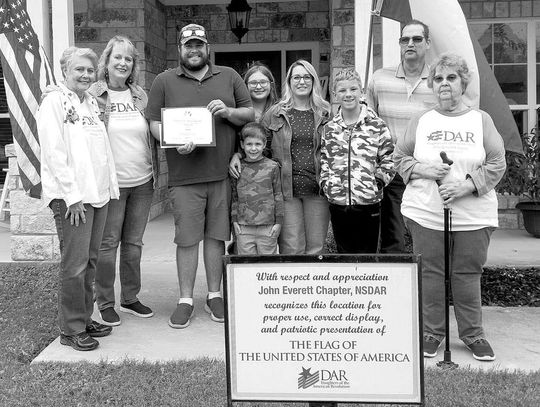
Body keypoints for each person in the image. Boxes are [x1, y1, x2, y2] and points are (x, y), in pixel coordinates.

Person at [394, 53, 506, 361]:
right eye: (439, 78)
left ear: (463, 82)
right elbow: (399, 158)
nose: (445, 84)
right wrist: (425, 170)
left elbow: (497, 163)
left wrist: (466, 185)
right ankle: (433, 331)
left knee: (466, 273)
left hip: (473, 213)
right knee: (431, 272)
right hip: (427, 211)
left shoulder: (480, 119)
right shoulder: (422, 120)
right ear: (432, 84)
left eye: (452, 78)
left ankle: (473, 334)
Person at [146, 24, 253, 329]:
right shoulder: (164, 80)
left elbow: (249, 114)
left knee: (216, 236)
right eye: (188, 46)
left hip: (219, 173)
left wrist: (227, 111)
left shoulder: (229, 76)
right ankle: (185, 299)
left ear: (208, 48)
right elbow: (153, 121)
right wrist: (170, 138)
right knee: (187, 238)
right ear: (179, 49)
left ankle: (214, 294)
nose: (194, 50)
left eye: (199, 45)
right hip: (184, 175)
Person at [38, 47, 119, 351]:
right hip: (74, 199)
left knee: (91, 261)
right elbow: (54, 153)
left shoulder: (91, 104)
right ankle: (71, 329)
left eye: (90, 70)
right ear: (65, 72)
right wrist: (72, 197)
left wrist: (110, 188)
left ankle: (84, 318)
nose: (86, 75)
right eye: (79, 70)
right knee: (74, 265)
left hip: (97, 195)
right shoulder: (54, 103)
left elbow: (100, 150)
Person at [88, 36, 160, 327]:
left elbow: (154, 128)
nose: (122, 63)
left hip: (143, 180)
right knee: (108, 244)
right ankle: (105, 302)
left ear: (134, 66)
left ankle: (130, 298)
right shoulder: (93, 94)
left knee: (133, 243)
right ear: (106, 61)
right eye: (117, 57)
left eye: (128, 59)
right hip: (112, 183)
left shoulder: (140, 95)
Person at [367, 19, 437, 253]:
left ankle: (425, 285)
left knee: (426, 236)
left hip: (427, 170)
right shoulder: (379, 78)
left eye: (417, 39)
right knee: (393, 238)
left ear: (427, 43)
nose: (410, 44)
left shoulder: (438, 81)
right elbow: (368, 123)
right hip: (393, 170)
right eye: (404, 39)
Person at [261, 59, 331, 254]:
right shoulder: (275, 114)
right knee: (291, 248)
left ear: (313, 81)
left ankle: (313, 285)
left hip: (318, 190)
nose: (302, 81)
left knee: (316, 248)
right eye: (297, 77)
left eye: (307, 77)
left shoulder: (326, 113)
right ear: (289, 82)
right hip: (286, 190)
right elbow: (262, 151)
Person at [320, 69, 395, 253]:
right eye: (343, 90)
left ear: (361, 91)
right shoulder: (330, 128)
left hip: (368, 203)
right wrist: (326, 185)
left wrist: (377, 182)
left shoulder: (376, 125)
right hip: (339, 204)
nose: (348, 94)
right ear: (335, 94)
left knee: (367, 258)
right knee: (344, 256)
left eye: (353, 89)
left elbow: (389, 158)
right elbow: (324, 159)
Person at [231, 122, 283, 254]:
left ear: (264, 144)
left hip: (268, 227)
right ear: (242, 145)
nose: (253, 148)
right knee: (246, 266)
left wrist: (279, 222)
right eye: (249, 144)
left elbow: (278, 195)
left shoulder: (272, 167)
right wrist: (235, 221)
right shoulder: (238, 167)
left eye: (258, 144)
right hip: (244, 227)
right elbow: (234, 196)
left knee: (267, 266)